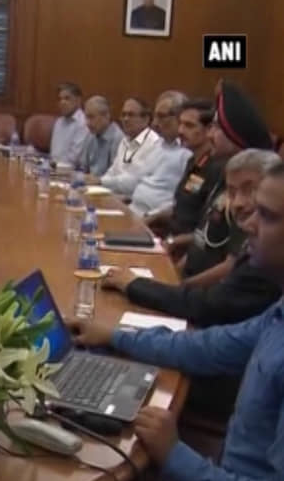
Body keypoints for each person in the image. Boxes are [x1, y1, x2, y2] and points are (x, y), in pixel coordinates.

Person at [67, 162, 284, 481]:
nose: (248, 223)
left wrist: (174, 455)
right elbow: (209, 347)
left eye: (266, 215)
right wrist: (115, 336)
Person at [104, 149, 282, 327]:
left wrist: (136, 285)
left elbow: (209, 306)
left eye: (250, 190)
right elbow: (200, 239)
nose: (237, 203)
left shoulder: (266, 263)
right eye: (232, 192)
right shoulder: (255, 249)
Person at [177, 80, 273, 283]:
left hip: (209, 292)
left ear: (236, 134)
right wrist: (173, 275)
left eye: (217, 128)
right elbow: (201, 237)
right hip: (189, 279)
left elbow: (231, 267)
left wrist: (179, 288)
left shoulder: (254, 191)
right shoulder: (222, 172)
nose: (210, 134)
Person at [144, 98, 223, 239]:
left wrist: (173, 242)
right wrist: (150, 218)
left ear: (208, 130)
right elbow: (182, 209)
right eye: (180, 124)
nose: (180, 131)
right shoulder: (193, 161)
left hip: (185, 244)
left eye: (189, 126)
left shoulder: (215, 168)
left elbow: (206, 228)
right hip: (169, 233)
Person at [130, 91, 192, 216]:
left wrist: (150, 217)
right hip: (134, 208)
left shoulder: (187, 154)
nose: (154, 123)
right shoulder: (157, 144)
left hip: (153, 218)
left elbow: (179, 202)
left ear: (179, 117)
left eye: (161, 116)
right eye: (155, 116)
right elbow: (138, 179)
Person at [94, 97, 161, 197]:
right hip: (117, 195)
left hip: (135, 200)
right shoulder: (126, 140)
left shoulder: (154, 143)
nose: (125, 119)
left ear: (146, 119)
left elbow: (136, 181)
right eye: (123, 115)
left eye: (131, 115)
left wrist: (100, 181)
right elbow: (113, 171)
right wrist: (96, 184)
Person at [75, 95, 124, 177]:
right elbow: (82, 167)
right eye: (86, 117)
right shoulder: (90, 135)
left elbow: (115, 176)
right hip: (89, 182)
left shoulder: (118, 139)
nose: (87, 123)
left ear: (106, 116)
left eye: (91, 117)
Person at [49, 82, 89, 166]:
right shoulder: (59, 121)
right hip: (54, 167)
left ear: (78, 101)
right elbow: (54, 154)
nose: (62, 102)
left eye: (67, 98)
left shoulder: (83, 123)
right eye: (60, 99)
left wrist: (54, 166)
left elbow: (74, 159)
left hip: (71, 170)